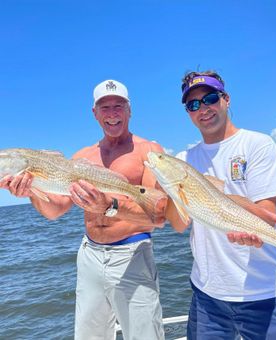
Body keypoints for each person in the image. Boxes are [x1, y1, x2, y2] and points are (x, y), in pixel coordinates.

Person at [0, 80, 167, 340]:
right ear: (95, 113)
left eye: (118, 106)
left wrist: (109, 206)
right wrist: (31, 191)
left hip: (132, 254)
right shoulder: (81, 157)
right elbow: (54, 211)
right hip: (89, 255)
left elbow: (158, 216)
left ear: (129, 110)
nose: (112, 113)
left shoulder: (149, 152)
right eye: (104, 107)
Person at [171, 70, 276, 339]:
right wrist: (172, 189)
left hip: (265, 295)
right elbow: (179, 223)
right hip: (208, 297)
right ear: (188, 112)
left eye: (209, 98)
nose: (202, 109)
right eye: (193, 105)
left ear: (226, 99)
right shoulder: (184, 159)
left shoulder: (258, 144)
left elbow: (266, 214)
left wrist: (256, 229)